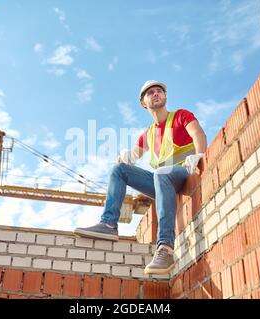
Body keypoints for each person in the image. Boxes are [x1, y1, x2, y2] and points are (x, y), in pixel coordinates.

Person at [74, 80, 207, 275]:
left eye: (159, 91)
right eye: (150, 92)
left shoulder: (180, 116)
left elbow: (197, 132)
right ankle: (109, 223)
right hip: (162, 183)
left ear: (165, 97)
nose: (156, 94)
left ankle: (165, 248)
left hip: (183, 173)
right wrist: (124, 157)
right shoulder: (149, 134)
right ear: (143, 103)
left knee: (161, 174)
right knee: (119, 170)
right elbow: (134, 155)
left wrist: (200, 154)